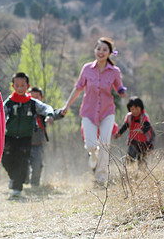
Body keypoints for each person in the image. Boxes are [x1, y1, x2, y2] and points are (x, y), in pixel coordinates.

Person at [61, 37, 127, 186]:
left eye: (105, 50)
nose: (101, 52)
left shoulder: (114, 71)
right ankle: (93, 155)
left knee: (105, 144)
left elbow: (119, 88)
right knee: (91, 144)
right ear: (95, 51)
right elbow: (78, 87)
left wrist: (122, 93)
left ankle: (101, 178)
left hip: (107, 112)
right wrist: (66, 106)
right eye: (99, 49)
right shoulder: (87, 69)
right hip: (88, 111)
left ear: (110, 53)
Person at [2, 73, 59, 198]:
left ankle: (17, 188)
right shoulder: (9, 102)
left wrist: (49, 115)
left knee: (22, 161)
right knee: (5, 160)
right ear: (13, 86)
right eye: (17, 85)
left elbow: (46, 107)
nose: (20, 88)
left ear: (27, 86)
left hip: (25, 138)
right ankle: (14, 178)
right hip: (9, 136)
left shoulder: (32, 103)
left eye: (23, 85)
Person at [27, 86, 63, 188]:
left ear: (41, 98)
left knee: (38, 165)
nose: (34, 100)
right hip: (23, 142)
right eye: (31, 97)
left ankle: (35, 185)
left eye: (36, 97)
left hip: (38, 143)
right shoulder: (24, 108)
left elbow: (53, 113)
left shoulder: (43, 111)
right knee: (22, 165)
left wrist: (61, 113)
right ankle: (21, 181)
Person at [113, 96, 154, 165]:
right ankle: (129, 171)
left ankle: (142, 173)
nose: (134, 111)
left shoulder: (144, 116)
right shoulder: (129, 117)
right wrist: (119, 133)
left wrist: (142, 131)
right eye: (132, 109)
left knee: (142, 160)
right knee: (130, 157)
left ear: (141, 108)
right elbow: (125, 126)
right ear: (129, 109)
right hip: (133, 141)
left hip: (143, 143)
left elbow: (148, 126)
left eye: (137, 109)